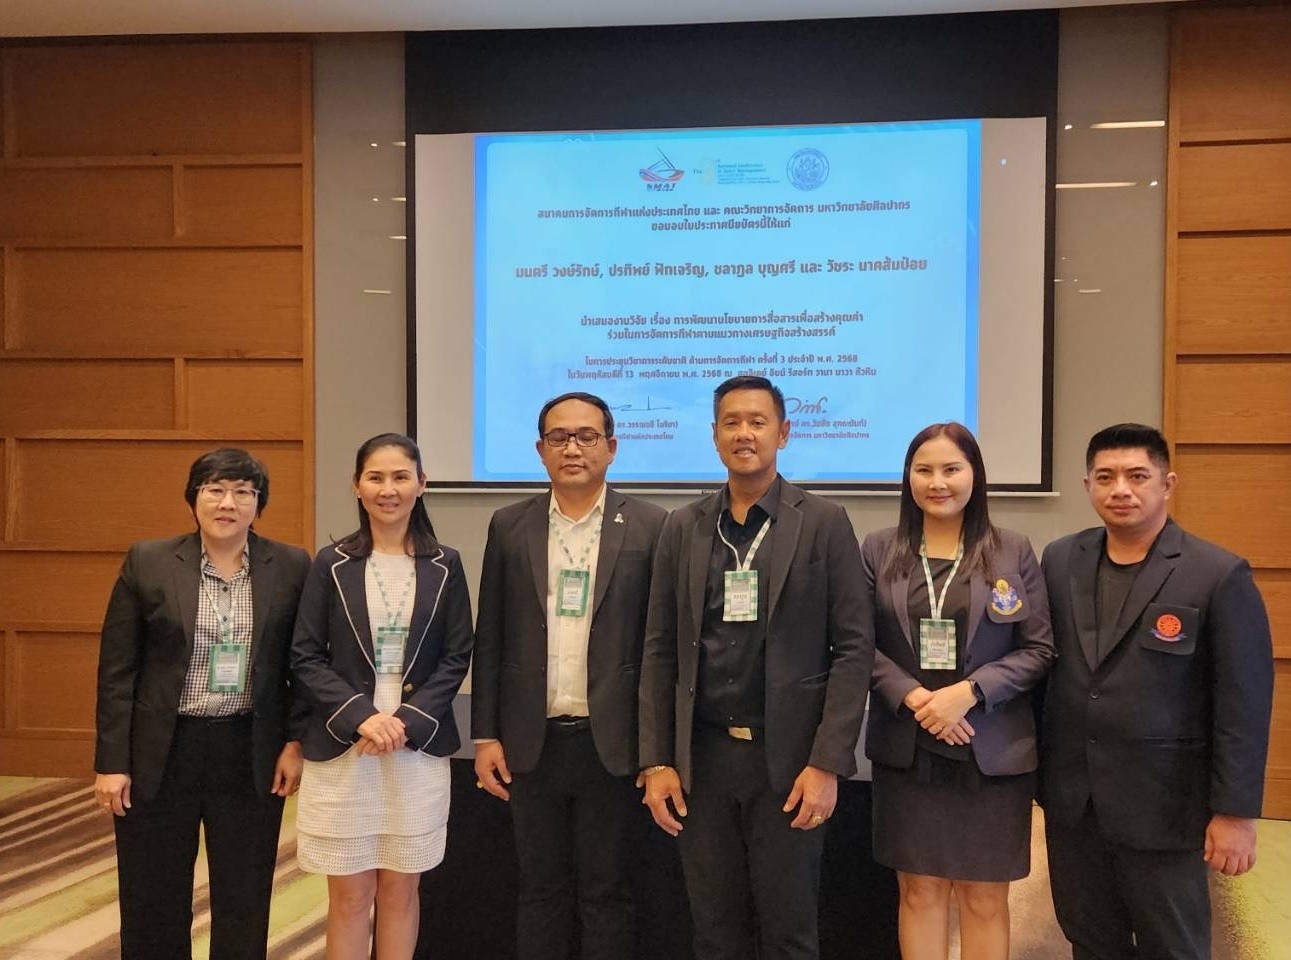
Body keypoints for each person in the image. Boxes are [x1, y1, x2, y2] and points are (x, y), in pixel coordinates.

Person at [638, 374, 872, 960]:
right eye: (732, 422)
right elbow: (659, 648)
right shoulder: (683, 526)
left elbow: (853, 648)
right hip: (703, 762)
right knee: (715, 932)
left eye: (758, 422)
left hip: (790, 762)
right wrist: (658, 760)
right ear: (714, 434)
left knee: (789, 933)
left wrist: (827, 763)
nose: (744, 433)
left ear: (783, 433)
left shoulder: (824, 522)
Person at [1039, 423, 1273, 960]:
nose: (1120, 489)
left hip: (1166, 806)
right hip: (1075, 802)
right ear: (1087, 486)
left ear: (1168, 484)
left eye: (1137, 476)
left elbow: (1244, 703)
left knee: (1174, 946)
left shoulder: (1216, 573)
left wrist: (1236, 813)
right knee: (1089, 939)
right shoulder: (1060, 559)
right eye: (1105, 477)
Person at [471, 391, 667, 960]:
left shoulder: (651, 526)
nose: (572, 448)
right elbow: (491, 636)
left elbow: (660, 648)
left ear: (611, 447)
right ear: (540, 450)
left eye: (586, 436)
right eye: (559, 437)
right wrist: (485, 734)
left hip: (613, 741)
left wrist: (656, 750)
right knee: (540, 890)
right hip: (532, 740)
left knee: (608, 892)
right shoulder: (510, 525)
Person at [93, 448, 311, 960]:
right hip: (162, 750)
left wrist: (295, 741)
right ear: (193, 499)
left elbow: (302, 663)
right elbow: (117, 671)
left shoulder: (291, 565)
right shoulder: (148, 561)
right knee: (153, 893)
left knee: (244, 893)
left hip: (249, 748)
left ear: (258, 503)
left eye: (243, 492)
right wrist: (112, 762)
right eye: (215, 490)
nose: (227, 503)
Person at [861, 423, 1054, 960]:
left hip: (989, 749)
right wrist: (916, 698)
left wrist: (969, 692)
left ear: (975, 475)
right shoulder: (879, 549)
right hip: (908, 748)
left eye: (951, 469)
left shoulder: (1012, 550)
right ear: (908, 477)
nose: (937, 482)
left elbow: (1038, 649)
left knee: (984, 898)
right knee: (918, 891)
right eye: (923, 470)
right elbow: (855, 643)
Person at [292, 433, 474, 960]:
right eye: (375, 477)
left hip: (415, 752)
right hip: (347, 749)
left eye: (400, 477)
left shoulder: (446, 563)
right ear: (357, 485)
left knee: (401, 892)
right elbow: (305, 655)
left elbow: (457, 654)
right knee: (351, 897)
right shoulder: (330, 563)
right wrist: (363, 718)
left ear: (422, 484)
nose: (388, 489)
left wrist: (405, 722)